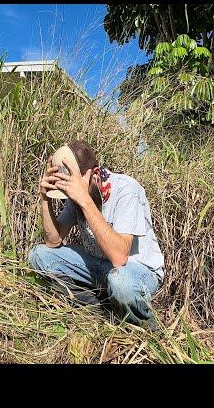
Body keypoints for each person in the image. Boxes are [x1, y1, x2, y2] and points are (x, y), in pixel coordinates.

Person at [28, 140, 164, 330]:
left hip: (136, 271)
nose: (71, 198)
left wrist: (84, 200)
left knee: (120, 282)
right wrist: (45, 199)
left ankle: (148, 329)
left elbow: (119, 258)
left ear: (93, 175)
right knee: (39, 255)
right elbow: (53, 241)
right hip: (99, 267)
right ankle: (99, 310)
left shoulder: (126, 190)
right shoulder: (76, 195)